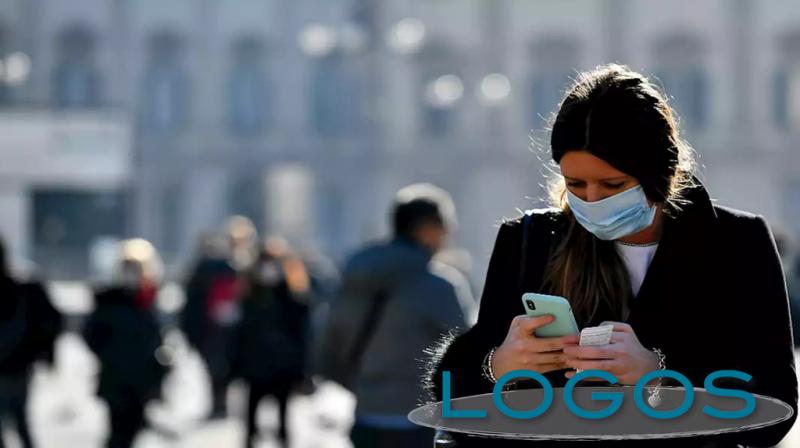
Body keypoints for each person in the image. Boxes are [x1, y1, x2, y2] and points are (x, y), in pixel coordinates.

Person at [426, 64, 798, 447]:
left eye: (613, 184)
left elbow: (774, 412)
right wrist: (498, 365)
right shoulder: (529, 241)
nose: (591, 199)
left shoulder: (736, 242)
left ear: (659, 174)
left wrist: (659, 374)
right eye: (575, 184)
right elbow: (459, 399)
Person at [316, 183, 476, 448]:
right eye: (446, 227)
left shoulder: (356, 276)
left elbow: (328, 339)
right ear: (427, 230)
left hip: (366, 413)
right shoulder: (438, 285)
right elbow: (468, 352)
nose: (448, 235)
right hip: (418, 418)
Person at [83, 239, 168, 448]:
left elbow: (154, 337)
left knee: (132, 429)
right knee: (118, 433)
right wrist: (112, 356)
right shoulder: (110, 302)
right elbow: (92, 336)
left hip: (141, 380)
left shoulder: (146, 301)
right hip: (116, 380)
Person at [232, 237, 313, 448]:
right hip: (255, 368)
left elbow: (303, 336)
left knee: (284, 423)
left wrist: (303, 370)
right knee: (250, 424)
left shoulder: (294, 299)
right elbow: (239, 334)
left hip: (283, 368)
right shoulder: (249, 298)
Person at [181, 216, 256, 419]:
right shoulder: (211, 267)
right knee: (216, 369)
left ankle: (225, 405)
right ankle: (219, 404)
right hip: (212, 329)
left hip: (236, 330)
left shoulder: (252, 267)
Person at [0, 238, 62, 448]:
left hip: (16, 366)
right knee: (20, 421)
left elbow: (50, 321)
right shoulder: (26, 290)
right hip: (19, 366)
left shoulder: (25, 291)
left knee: (18, 421)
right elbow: (51, 322)